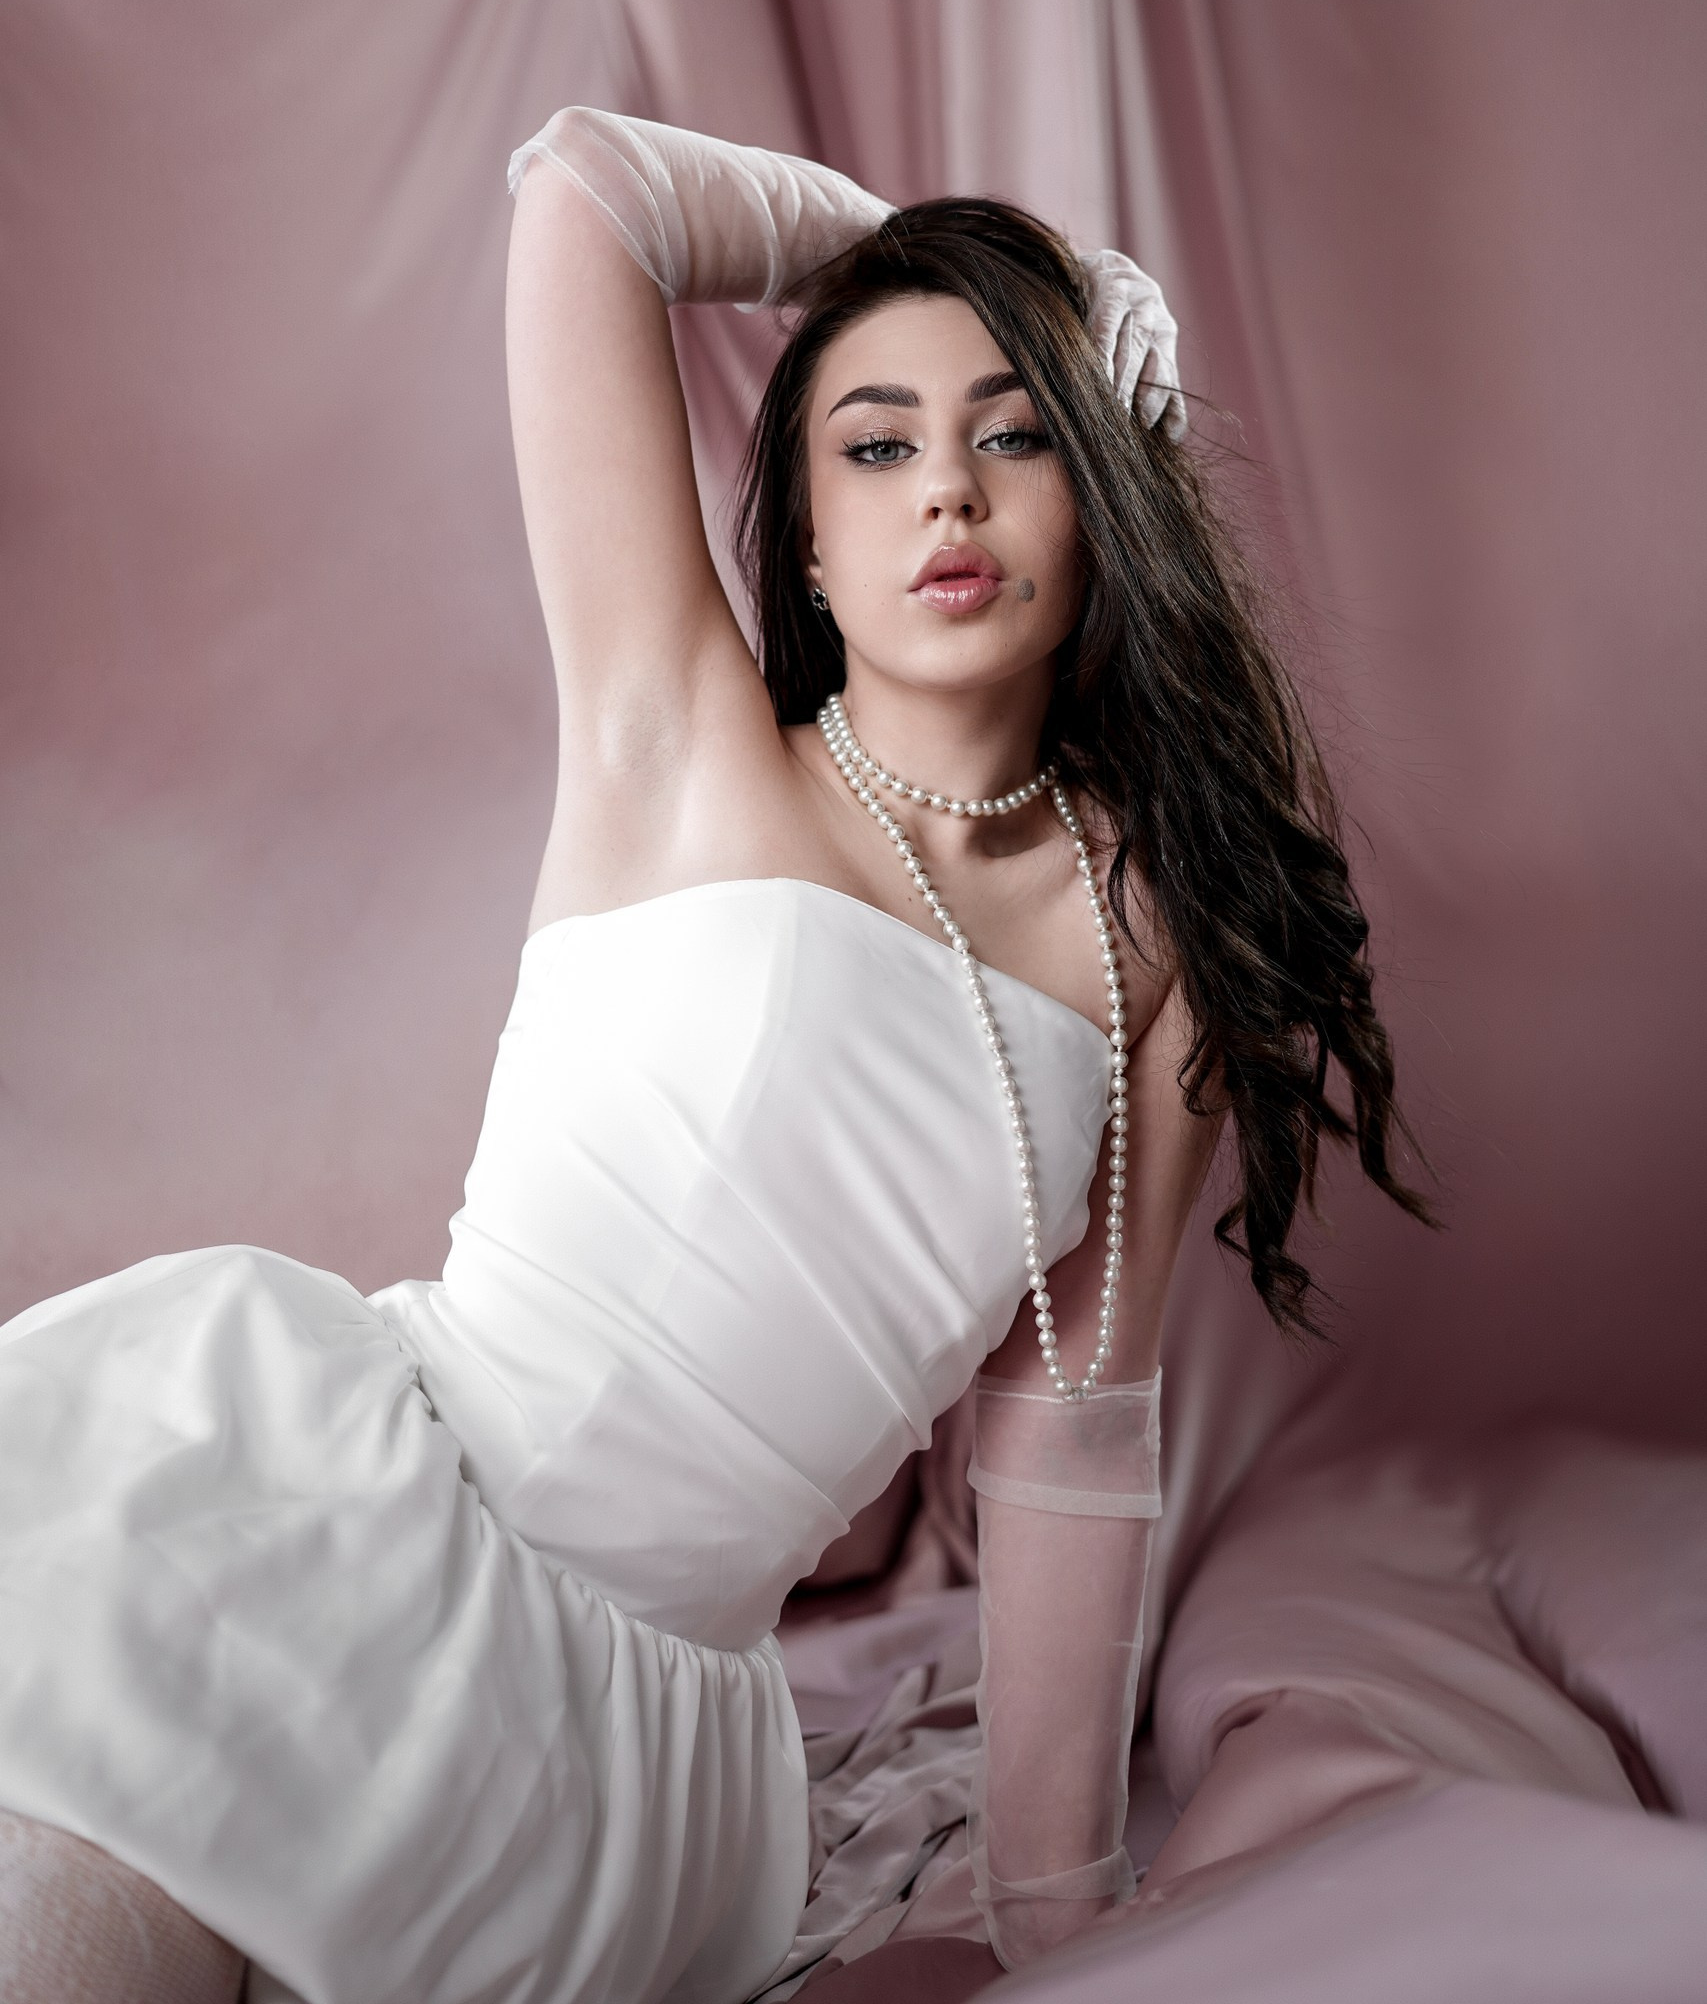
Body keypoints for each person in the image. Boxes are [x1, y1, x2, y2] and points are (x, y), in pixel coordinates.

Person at [0, 112, 1423, 2003]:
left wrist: (1059, 1901)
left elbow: (1075, 1410)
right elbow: (586, 191)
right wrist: (948, 262)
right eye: (878, 446)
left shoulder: (1146, 926)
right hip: (345, 1526)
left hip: (633, 1754)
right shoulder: (677, 732)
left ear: (1099, 494)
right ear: (811, 542)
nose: (948, 493)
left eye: (1017, 433)